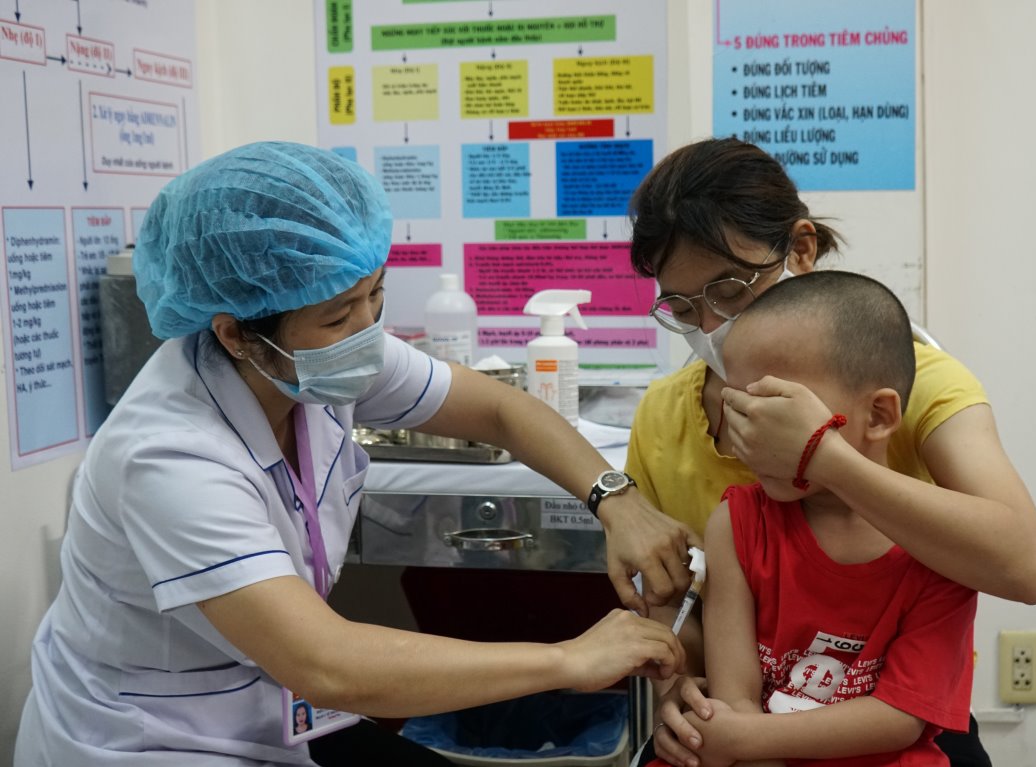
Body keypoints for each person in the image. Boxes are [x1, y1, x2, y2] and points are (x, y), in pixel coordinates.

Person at [14, 141, 692, 766]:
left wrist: (615, 498)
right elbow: (326, 663)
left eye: (375, 295)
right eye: (341, 315)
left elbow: (498, 407)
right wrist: (568, 660)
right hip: (149, 738)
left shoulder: (320, 357)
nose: (368, 333)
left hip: (277, 707)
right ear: (235, 334)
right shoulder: (168, 456)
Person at [624, 137, 1036, 767]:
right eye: (685, 307)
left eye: (730, 291)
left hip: (891, 717)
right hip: (747, 716)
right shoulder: (668, 419)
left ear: (800, 249)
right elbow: (675, 606)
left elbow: (1026, 567)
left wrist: (822, 456)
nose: (711, 329)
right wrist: (678, 689)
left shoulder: (916, 384)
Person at [648, 271, 978, 767]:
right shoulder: (736, 524)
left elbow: (899, 716)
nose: (748, 434)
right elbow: (736, 697)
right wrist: (735, 737)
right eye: (738, 407)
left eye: (777, 409)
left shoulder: (939, 545)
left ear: (881, 415)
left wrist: (742, 739)